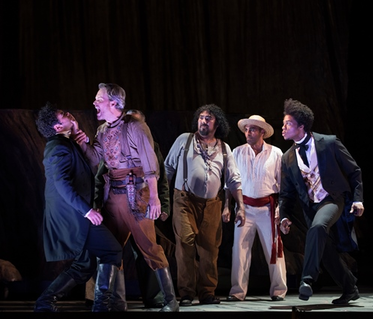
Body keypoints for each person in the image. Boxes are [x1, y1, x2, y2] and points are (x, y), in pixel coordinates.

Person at [74, 83, 179, 312]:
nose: (94, 103)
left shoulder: (136, 127)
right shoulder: (102, 130)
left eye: (98, 99)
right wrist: (81, 141)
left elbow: (151, 165)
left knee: (150, 248)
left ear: (113, 103)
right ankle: (109, 303)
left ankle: (171, 302)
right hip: (114, 195)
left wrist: (154, 199)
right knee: (109, 249)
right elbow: (95, 161)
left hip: (136, 195)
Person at [34, 103, 122, 312]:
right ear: (57, 127)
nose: (69, 114)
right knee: (112, 250)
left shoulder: (68, 143)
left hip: (78, 213)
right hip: (73, 216)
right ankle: (101, 306)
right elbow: (61, 184)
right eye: (64, 115)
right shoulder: (57, 147)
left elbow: (87, 172)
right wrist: (87, 211)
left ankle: (45, 302)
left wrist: (79, 139)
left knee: (84, 265)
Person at [278, 98, 364, 305]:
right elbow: (287, 193)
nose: (283, 127)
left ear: (301, 126)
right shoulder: (288, 158)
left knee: (317, 227)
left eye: (287, 124)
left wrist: (358, 199)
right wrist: (284, 216)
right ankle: (349, 288)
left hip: (333, 200)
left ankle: (307, 280)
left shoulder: (329, 143)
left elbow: (354, 171)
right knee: (325, 251)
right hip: (311, 207)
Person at [164, 104, 245, 306]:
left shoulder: (224, 149)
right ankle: (186, 293)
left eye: (208, 118)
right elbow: (167, 169)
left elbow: (234, 180)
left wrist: (240, 207)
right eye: (201, 117)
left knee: (210, 249)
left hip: (212, 204)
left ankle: (207, 292)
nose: (203, 121)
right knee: (186, 242)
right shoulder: (185, 140)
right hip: (184, 200)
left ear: (217, 123)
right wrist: (162, 200)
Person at [224, 115, 288, 302]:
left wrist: (280, 211)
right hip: (244, 209)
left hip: (268, 208)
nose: (248, 132)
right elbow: (230, 183)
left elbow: (283, 185)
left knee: (274, 250)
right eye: (246, 129)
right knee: (240, 251)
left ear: (262, 132)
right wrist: (228, 206)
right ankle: (237, 291)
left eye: (252, 129)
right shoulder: (237, 152)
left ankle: (278, 290)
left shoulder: (276, 153)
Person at [125, 108, 174, 308]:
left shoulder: (152, 146)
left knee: (148, 251)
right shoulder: (117, 144)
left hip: (142, 205)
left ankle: (154, 297)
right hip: (119, 203)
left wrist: (163, 204)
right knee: (112, 251)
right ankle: (108, 298)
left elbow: (161, 178)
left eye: (137, 124)